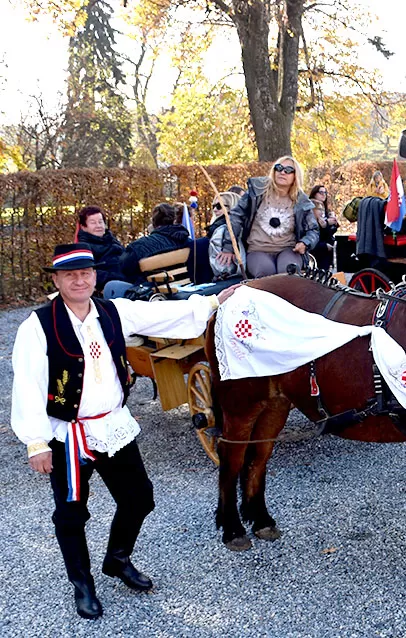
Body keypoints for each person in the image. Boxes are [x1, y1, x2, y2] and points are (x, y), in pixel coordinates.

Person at [11, 243, 239, 619]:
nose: (80, 280)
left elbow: (163, 315)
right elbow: (27, 384)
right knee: (70, 515)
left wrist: (214, 303)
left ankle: (116, 559)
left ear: (95, 277)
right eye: (70, 275)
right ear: (56, 280)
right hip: (69, 434)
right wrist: (36, 442)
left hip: (114, 425)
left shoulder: (113, 312)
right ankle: (82, 585)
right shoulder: (37, 325)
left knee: (140, 499)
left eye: (85, 273)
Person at [218, 156, 319, 278]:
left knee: (288, 274)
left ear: (295, 176)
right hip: (257, 249)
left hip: (288, 250)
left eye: (288, 170)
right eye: (279, 168)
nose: (282, 172)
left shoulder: (301, 201)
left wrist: (305, 243)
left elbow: (313, 230)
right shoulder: (257, 192)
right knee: (266, 275)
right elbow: (236, 217)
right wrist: (228, 247)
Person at [102, 203, 193, 298]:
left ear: (153, 222)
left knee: (111, 286)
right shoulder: (188, 242)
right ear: (174, 220)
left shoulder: (138, 246)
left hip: (153, 294)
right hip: (185, 289)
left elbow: (123, 269)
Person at [76, 206, 124, 292]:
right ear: (83, 227)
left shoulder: (113, 241)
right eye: (93, 223)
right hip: (110, 288)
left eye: (100, 222)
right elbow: (88, 273)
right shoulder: (83, 249)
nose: (98, 226)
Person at [206, 191, 241, 280]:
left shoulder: (220, 229)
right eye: (213, 206)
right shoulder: (215, 228)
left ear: (232, 206)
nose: (215, 210)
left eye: (219, 206)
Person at [308, 184, 339, 271]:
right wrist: (326, 224)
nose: (323, 195)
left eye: (325, 192)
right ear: (314, 194)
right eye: (321, 192)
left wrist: (333, 224)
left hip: (327, 248)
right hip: (317, 248)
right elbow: (314, 230)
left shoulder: (325, 209)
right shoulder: (312, 206)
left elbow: (330, 230)